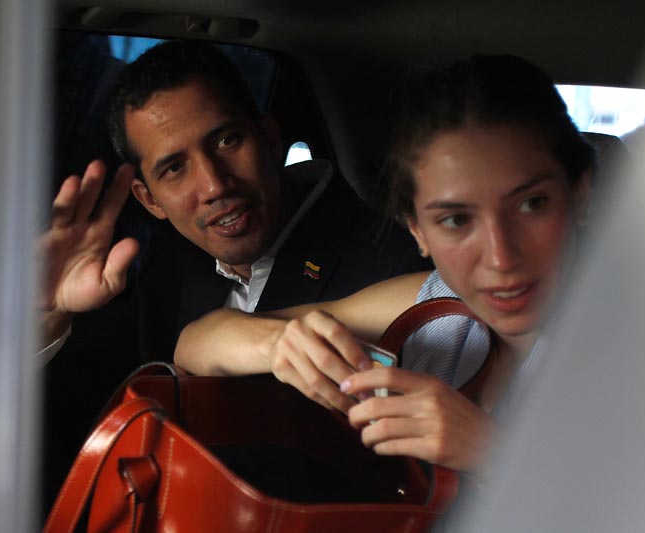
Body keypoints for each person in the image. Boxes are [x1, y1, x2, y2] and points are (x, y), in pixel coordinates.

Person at [40, 40, 426, 508]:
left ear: (270, 138)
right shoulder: (167, 267)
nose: (214, 185)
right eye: (175, 168)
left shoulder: (394, 260)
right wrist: (49, 314)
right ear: (149, 200)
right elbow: (82, 422)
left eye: (226, 141)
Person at [174, 54, 595, 476]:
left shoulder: (625, 339)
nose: (500, 257)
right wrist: (280, 342)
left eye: (531, 205)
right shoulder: (437, 305)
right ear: (417, 232)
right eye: (455, 221)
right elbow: (197, 342)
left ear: (580, 193)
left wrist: (493, 453)